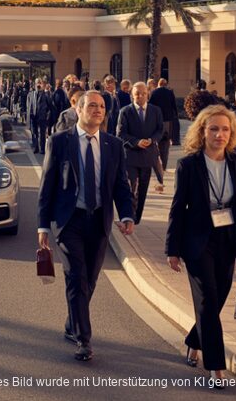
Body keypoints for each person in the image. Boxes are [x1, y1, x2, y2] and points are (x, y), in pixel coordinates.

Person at [166, 104, 236, 383]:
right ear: (202, 131)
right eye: (213, 129)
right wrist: (172, 250)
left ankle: (194, 340)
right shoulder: (188, 165)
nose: (219, 135)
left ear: (231, 133)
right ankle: (216, 366)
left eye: (225, 129)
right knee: (208, 299)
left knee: (217, 299)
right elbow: (177, 209)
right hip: (197, 242)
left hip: (227, 239)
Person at [38, 90, 136, 362]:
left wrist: (127, 215)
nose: (98, 110)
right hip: (68, 221)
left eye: (102, 106)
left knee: (90, 279)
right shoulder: (59, 141)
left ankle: (72, 323)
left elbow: (121, 185)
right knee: (77, 276)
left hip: (99, 221)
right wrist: (42, 226)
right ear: (78, 110)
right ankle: (84, 339)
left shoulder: (113, 145)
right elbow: (47, 186)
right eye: (92, 105)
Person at [117, 82, 164, 224]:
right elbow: (120, 134)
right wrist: (136, 142)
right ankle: (129, 216)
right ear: (132, 95)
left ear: (148, 94)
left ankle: (137, 217)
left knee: (142, 189)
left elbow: (160, 130)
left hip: (148, 156)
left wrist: (152, 140)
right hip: (131, 156)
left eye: (143, 93)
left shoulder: (156, 111)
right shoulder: (125, 111)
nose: (141, 96)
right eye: (137, 94)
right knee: (131, 187)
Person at [149, 77, 179, 164]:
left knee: (156, 141)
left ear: (159, 84)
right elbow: (174, 105)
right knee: (166, 143)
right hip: (168, 120)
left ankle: (157, 162)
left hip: (157, 120)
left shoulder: (155, 92)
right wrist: (175, 116)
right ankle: (164, 163)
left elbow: (150, 105)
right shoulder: (170, 92)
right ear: (166, 85)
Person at [27, 80, 51, 154]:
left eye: (39, 84)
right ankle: (36, 147)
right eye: (37, 83)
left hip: (42, 117)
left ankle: (42, 148)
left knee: (42, 133)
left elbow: (50, 106)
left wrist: (46, 114)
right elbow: (28, 105)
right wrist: (29, 115)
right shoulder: (31, 94)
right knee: (34, 133)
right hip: (33, 116)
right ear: (34, 85)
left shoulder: (45, 95)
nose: (38, 85)